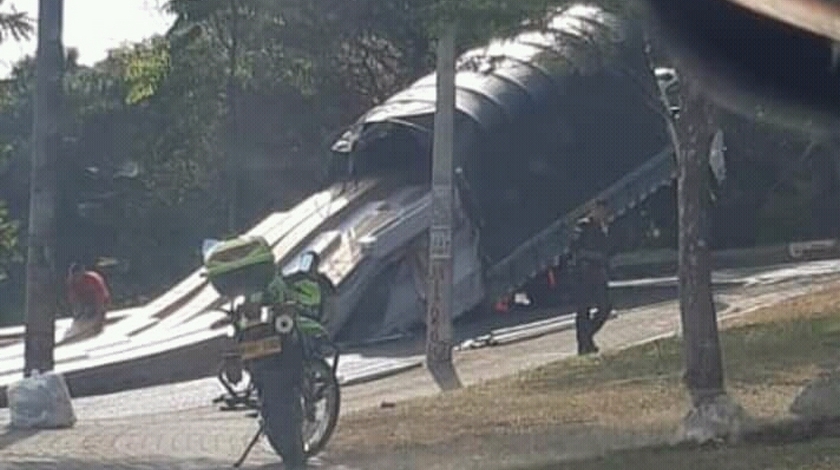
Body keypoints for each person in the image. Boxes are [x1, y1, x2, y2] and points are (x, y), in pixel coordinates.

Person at [568, 199, 613, 355]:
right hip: (584, 272)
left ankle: (587, 338)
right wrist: (594, 257)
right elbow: (575, 249)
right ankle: (584, 345)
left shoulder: (604, 227)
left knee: (605, 307)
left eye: (605, 211)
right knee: (583, 310)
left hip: (599, 272)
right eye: (600, 211)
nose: (603, 214)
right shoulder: (583, 226)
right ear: (594, 210)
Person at [66, 263, 111, 333]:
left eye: (78, 275)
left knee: (97, 316)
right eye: (74, 276)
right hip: (85, 300)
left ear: (82, 273)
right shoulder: (72, 282)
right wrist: (77, 314)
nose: (76, 278)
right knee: (82, 315)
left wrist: (99, 313)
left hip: (101, 299)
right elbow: (73, 299)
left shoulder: (93, 279)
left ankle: (97, 322)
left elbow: (101, 297)